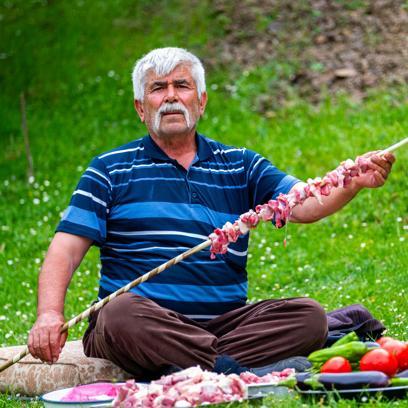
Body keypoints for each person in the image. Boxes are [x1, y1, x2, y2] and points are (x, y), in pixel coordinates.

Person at [28, 47, 395, 379]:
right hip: (143, 322)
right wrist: (49, 314)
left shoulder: (240, 165)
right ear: (142, 108)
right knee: (119, 315)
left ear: (201, 101)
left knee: (309, 317)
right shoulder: (109, 170)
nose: (171, 96)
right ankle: (232, 369)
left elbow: (306, 203)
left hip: (223, 325)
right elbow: (66, 248)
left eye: (182, 85)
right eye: (158, 88)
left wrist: (352, 183)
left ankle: (202, 366)